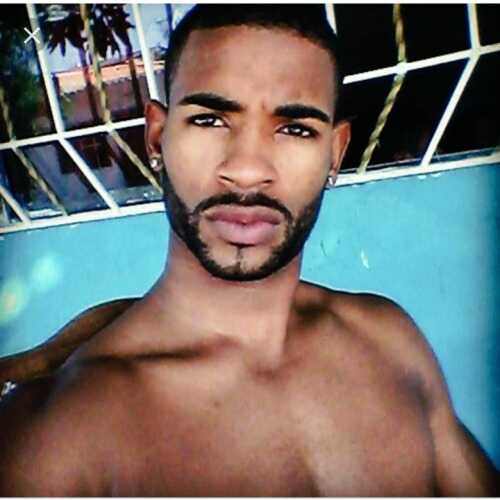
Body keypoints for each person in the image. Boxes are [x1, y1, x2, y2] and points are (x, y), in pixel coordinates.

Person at [0, 4, 498, 496]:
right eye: (210, 120)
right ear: (156, 137)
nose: (246, 171)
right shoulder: (53, 439)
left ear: (335, 152)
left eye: (295, 128)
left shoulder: (390, 341)